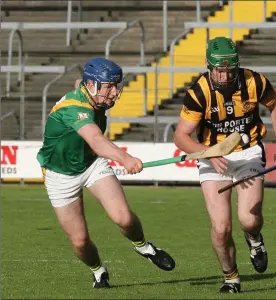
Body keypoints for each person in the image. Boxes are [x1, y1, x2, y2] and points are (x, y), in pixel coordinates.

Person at [37, 57, 175, 289]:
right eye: (109, 86)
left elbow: (78, 86)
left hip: (91, 164)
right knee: (80, 241)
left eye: (116, 85)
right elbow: (96, 139)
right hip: (59, 174)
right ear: (92, 86)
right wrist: (125, 158)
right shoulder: (75, 108)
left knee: (125, 218)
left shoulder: (91, 96)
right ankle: (98, 270)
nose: (114, 92)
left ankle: (144, 247)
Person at [174, 37, 276, 294]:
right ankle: (231, 278)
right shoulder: (198, 92)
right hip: (212, 157)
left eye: (229, 69)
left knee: (249, 220)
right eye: (219, 69)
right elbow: (181, 137)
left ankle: (254, 239)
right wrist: (207, 153)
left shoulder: (254, 81)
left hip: (248, 153)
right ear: (208, 65)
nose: (224, 75)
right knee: (221, 228)